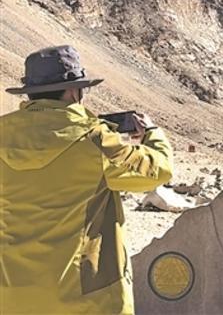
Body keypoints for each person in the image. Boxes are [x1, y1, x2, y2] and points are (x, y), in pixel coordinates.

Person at [0, 45, 174, 314]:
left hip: (12, 298)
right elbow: (157, 171)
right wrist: (152, 134)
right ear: (74, 91)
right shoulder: (96, 140)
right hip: (87, 301)